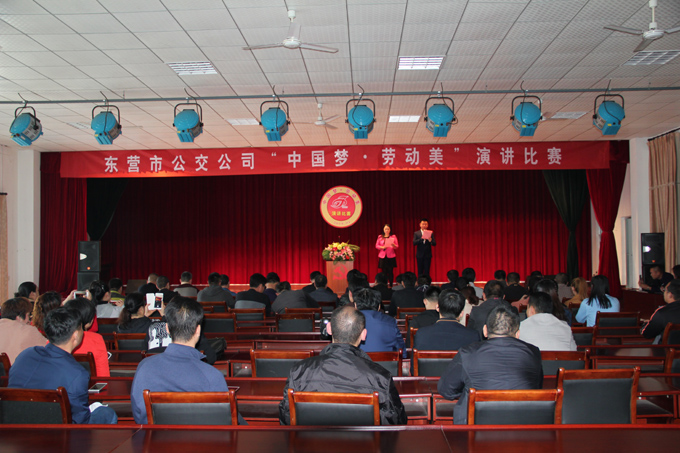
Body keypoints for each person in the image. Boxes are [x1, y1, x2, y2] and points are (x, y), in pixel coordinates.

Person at [279, 305, 407, 425]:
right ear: (363, 335)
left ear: (329, 329)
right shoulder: (381, 378)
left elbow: (286, 418)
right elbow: (396, 422)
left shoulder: (299, 372)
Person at [130, 297, 245, 424]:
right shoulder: (212, 376)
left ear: (167, 329)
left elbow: (139, 416)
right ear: (198, 330)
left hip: (155, 436)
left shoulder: (144, 368)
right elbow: (227, 420)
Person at [8, 307, 118, 424]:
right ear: (75, 335)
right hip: (56, 432)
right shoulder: (77, 374)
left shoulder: (25, 355)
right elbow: (81, 421)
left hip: (15, 424)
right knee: (107, 413)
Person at [438, 304, 543, 424]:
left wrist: (467, 390)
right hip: (523, 426)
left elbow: (446, 390)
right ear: (517, 334)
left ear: (485, 330)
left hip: (476, 428)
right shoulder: (533, 353)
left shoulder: (467, 353)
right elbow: (536, 387)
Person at [413, 289, 481, 351]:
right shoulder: (473, 336)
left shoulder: (422, 334)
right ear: (461, 313)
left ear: (437, 308)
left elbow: (414, 359)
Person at [353, 287, 405, 355]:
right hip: (386, 362)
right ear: (379, 307)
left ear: (355, 306)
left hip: (356, 361)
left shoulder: (348, 322)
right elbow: (402, 352)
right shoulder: (391, 322)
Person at [66, 297, 110, 376]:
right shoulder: (96, 339)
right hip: (90, 383)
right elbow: (103, 377)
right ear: (90, 320)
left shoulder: (55, 340)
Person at [0, 297, 47, 363]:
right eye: (28, 315)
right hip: (20, 368)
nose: (29, 320)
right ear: (18, 317)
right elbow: (49, 349)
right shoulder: (27, 330)